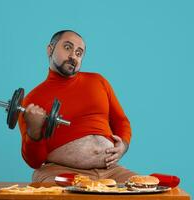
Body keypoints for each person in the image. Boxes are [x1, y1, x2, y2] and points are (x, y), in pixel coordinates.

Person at [18, 30, 137, 182]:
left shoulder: (98, 81)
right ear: (50, 49)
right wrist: (34, 131)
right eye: (67, 47)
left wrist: (123, 147)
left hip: (110, 171)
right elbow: (34, 161)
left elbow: (121, 121)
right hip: (60, 172)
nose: (73, 56)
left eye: (79, 52)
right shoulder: (32, 100)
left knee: (151, 192)